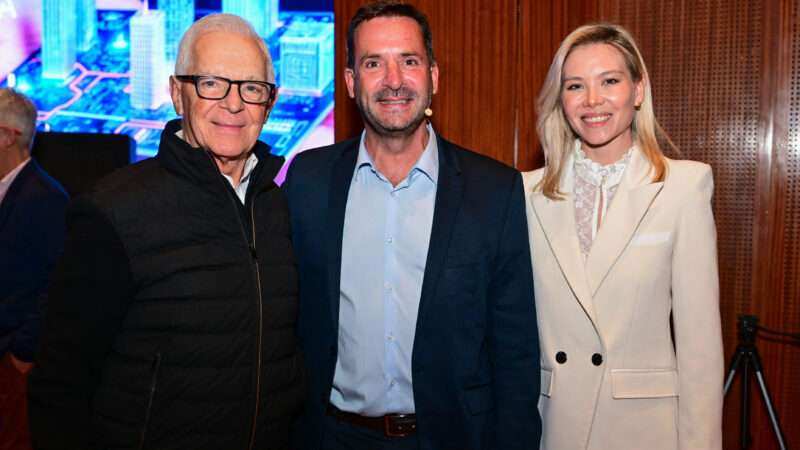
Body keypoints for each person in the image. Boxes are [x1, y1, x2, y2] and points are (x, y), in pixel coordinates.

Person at [28, 14, 303, 450]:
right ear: (178, 94)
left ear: (269, 104)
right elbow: (61, 384)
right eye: (212, 82)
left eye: (251, 88)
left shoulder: (281, 207)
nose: (233, 104)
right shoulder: (114, 210)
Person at [284, 2, 541, 449]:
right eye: (372, 63)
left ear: (434, 76)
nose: (394, 80)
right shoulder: (307, 181)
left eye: (409, 60)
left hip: (453, 438)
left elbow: (515, 353)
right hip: (334, 437)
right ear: (349, 82)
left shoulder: (494, 191)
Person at [522, 23, 724, 450]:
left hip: (644, 429)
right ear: (561, 99)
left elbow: (700, 346)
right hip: (553, 424)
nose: (592, 100)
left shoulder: (683, 186)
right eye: (576, 86)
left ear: (637, 89)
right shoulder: (525, 193)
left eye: (609, 81)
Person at [0, 88, 68, 450]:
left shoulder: (46, 198)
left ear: (8, 136)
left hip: (14, 367)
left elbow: (57, 286)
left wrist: (21, 356)